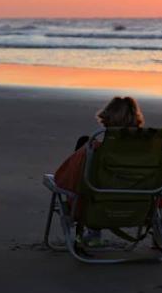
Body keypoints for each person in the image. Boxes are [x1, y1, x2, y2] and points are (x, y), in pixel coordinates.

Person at [54, 96, 145, 246]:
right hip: (136, 208)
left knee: (83, 185)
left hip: (96, 208)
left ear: (106, 120)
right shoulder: (146, 153)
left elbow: (63, 178)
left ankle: (90, 233)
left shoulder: (94, 150)